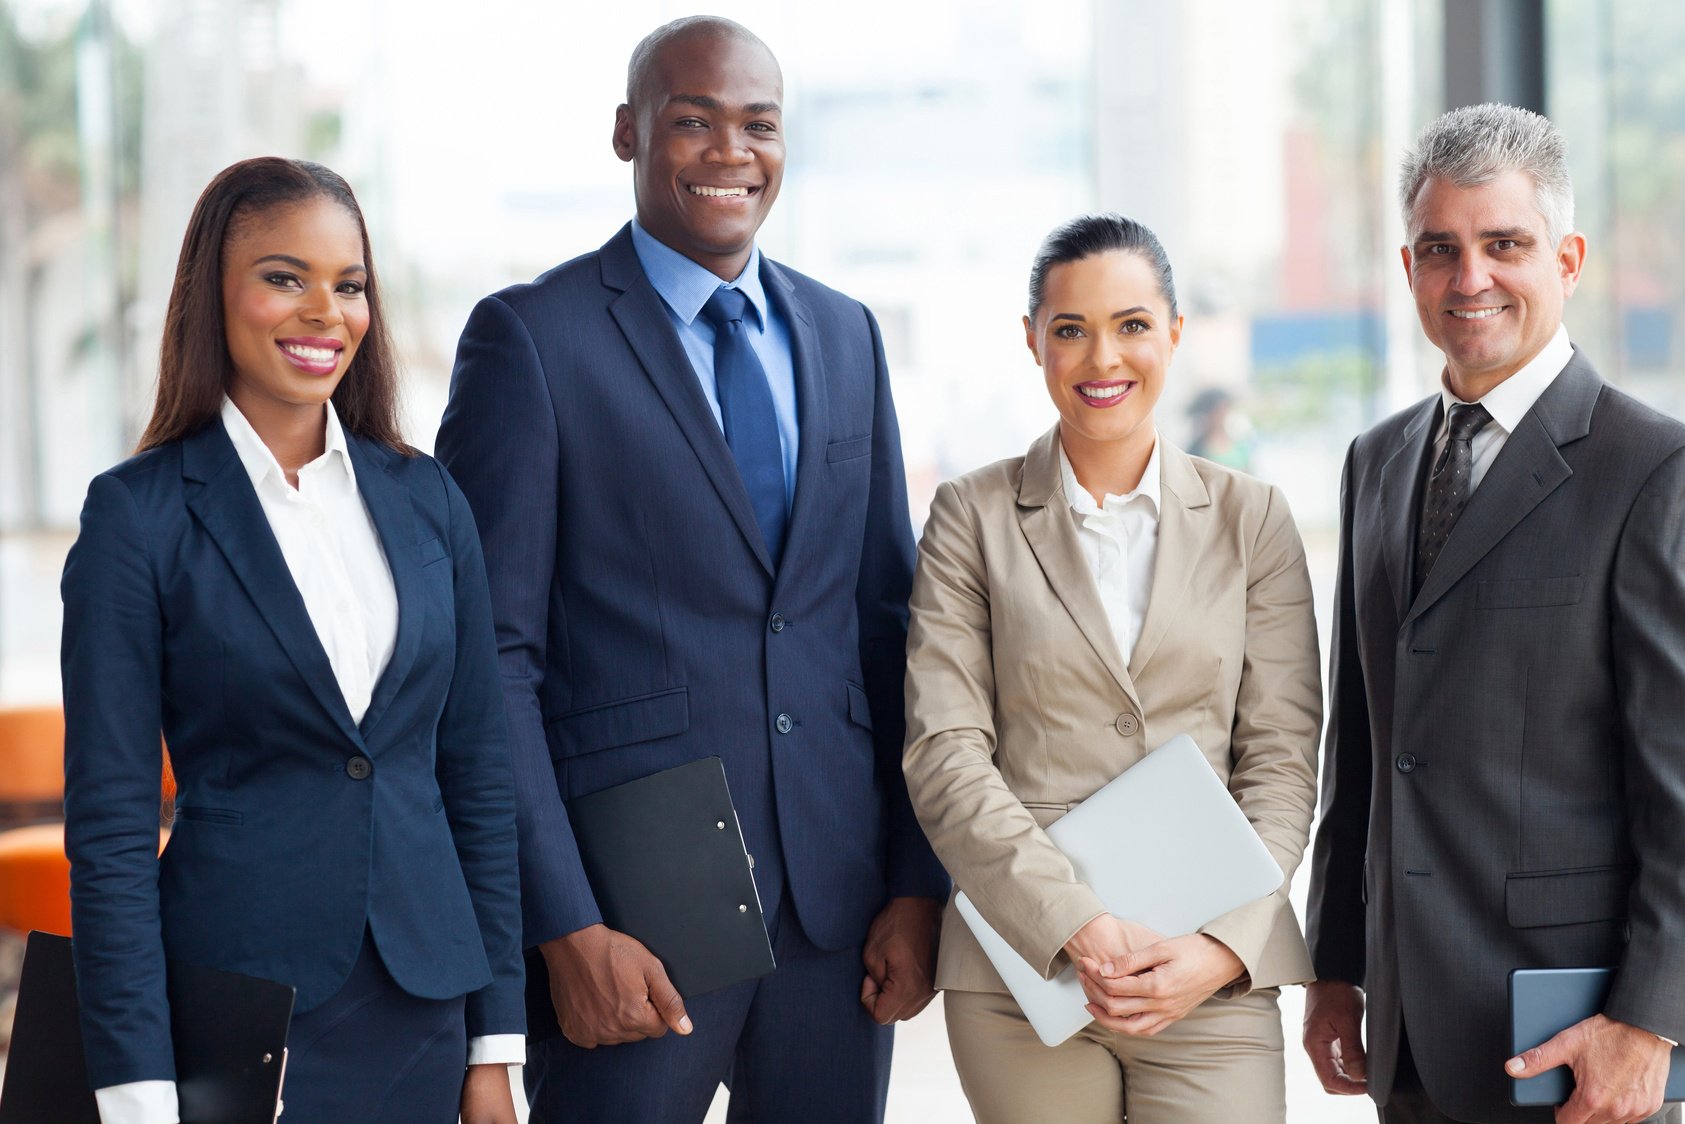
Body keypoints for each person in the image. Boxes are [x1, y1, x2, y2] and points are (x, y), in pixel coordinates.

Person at [434, 16, 947, 1123]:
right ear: (627, 133)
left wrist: (915, 883)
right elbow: (486, 667)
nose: (730, 152)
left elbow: (890, 624)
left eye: (757, 125)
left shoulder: (846, 335)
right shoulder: (531, 340)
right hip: (633, 919)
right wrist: (562, 925)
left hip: (837, 914)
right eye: (692, 121)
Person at [60, 157, 524, 1124]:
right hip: (238, 1012)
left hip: (425, 1008)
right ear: (212, 296)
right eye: (284, 277)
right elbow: (108, 833)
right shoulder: (137, 517)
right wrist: (137, 1093)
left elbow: (476, 776)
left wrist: (496, 1046)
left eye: (348, 285)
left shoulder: (427, 499)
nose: (325, 311)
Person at [1304, 103, 1685, 1124]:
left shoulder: (1650, 466)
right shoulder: (1374, 460)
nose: (1468, 278)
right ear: (1407, 266)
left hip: (1574, 1038)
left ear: (1565, 258)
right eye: (1440, 249)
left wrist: (1648, 1021)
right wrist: (1335, 961)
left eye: (1502, 245)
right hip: (1409, 1028)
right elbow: (1364, 745)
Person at [902, 212, 1322, 1123]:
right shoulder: (969, 518)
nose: (1103, 358)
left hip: (1211, 969)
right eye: (1070, 329)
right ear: (1032, 342)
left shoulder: (1254, 519)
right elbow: (945, 754)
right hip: (1026, 967)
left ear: (1173, 333)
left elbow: (1283, 760)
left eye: (1131, 325)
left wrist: (1219, 947)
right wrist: (1074, 927)